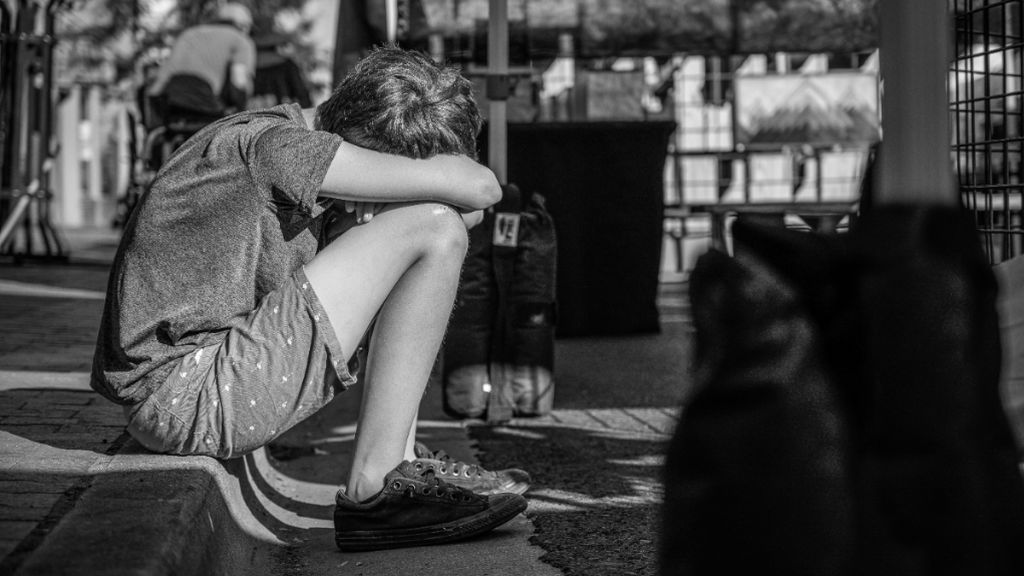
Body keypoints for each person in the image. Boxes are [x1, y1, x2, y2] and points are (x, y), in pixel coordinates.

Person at [91, 45, 531, 552]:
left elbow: (468, 208)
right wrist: (412, 200)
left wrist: (394, 195)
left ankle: (399, 462)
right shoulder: (281, 149)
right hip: (185, 398)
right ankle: (378, 484)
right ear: (365, 151)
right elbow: (482, 189)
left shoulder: (282, 133)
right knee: (433, 229)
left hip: (189, 385)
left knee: (434, 225)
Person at [148, 2, 257, 127]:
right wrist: (243, 112)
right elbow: (239, 82)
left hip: (161, 97)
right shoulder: (241, 40)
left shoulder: (190, 33)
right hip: (199, 97)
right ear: (243, 25)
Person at [248, 32, 312, 110]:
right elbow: (301, 94)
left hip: (256, 90)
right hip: (262, 96)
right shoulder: (289, 65)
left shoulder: (289, 65)